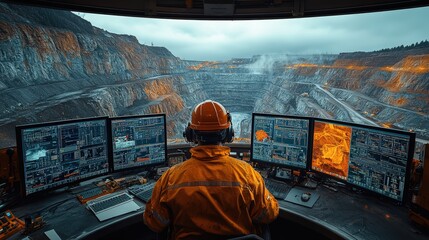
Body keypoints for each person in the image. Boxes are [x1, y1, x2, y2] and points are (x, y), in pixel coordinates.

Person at [144, 100, 279, 240]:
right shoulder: (248, 174)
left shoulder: (170, 178)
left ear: (191, 134)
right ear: (228, 133)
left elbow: (154, 223)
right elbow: (268, 214)